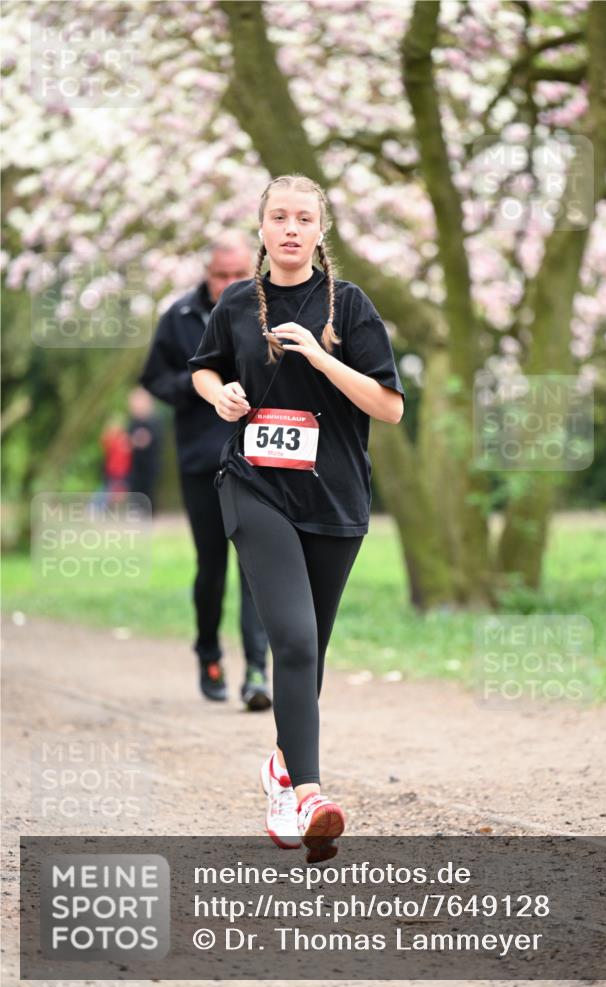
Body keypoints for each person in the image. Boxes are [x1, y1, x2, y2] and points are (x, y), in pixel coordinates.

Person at [189, 175, 404, 862]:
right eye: (277, 217)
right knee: (294, 638)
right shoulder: (234, 303)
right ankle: (304, 793)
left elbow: (389, 406)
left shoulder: (350, 305)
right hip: (253, 488)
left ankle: (281, 766)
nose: (289, 228)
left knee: (308, 653)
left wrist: (319, 356)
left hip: (334, 497)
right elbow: (204, 368)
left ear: (320, 231)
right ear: (260, 229)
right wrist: (218, 392)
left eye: (302, 218)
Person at [139, 235, 270, 708]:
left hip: (260, 460)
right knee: (211, 568)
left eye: (239, 275)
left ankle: (258, 671)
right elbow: (153, 377)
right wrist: (203, 387)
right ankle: (209, 654)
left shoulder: (269, 310)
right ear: (207, 274)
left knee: (258, 569)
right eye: (221, 275)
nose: (230, 283)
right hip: (201, 460)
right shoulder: (179, 316)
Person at [127, 387, 163, 511]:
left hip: (149, 464)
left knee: (148, 490)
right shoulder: (133, 422)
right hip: (135, 464)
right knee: (135, 488)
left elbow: (147, 440)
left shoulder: (153, 421)